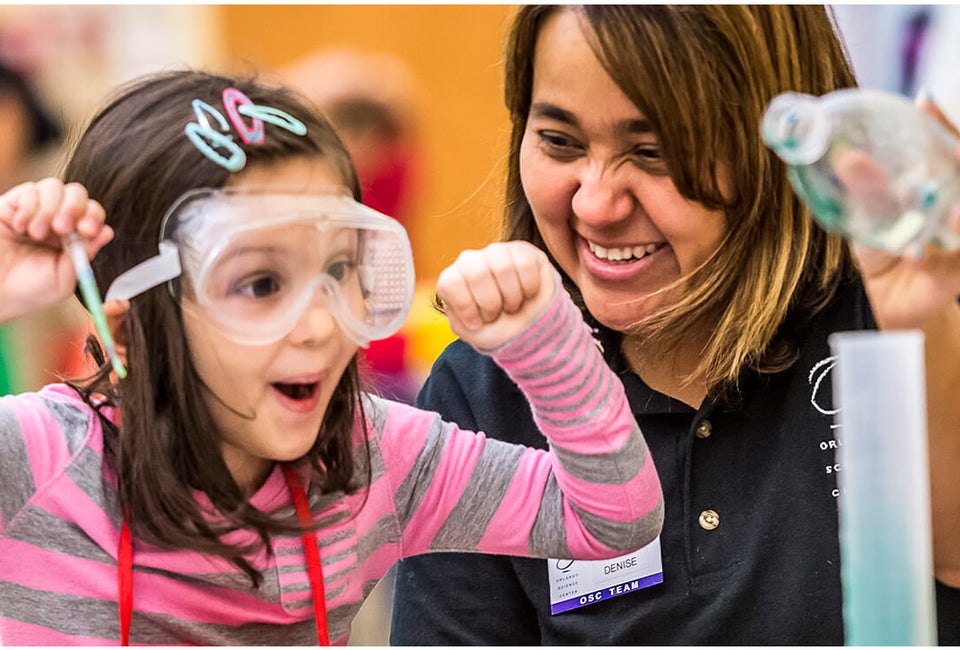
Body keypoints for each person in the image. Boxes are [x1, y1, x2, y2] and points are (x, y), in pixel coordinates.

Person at [0, 68, 664, 645]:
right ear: (129, 334)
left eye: (341, 269)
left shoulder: (374, 458)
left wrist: (548, 342)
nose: (320, 325)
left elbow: (614, 521)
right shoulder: (38, 458)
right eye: (262, 284)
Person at [390, 5, 960, 645]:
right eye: (560, 141)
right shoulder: (482, 393)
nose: (596, 204)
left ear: (777, 146)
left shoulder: (906, 311)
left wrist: (924, 328)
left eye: (654, 152)